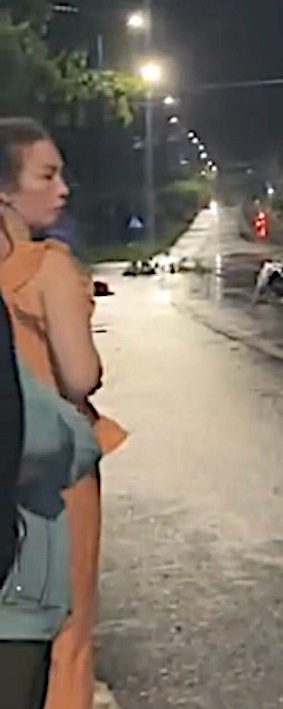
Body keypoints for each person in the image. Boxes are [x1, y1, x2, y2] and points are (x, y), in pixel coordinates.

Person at [0, 117, 126, 709]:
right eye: (46, 175)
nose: (63, 188)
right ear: (5, 188)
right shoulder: (48, 265)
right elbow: (81, 376)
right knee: (66, 627)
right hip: (52, 467)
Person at [0, 294, 102, 709]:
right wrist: (77, 434)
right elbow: (43, 434)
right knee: (68, 651)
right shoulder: (51, 268)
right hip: (15, 580)